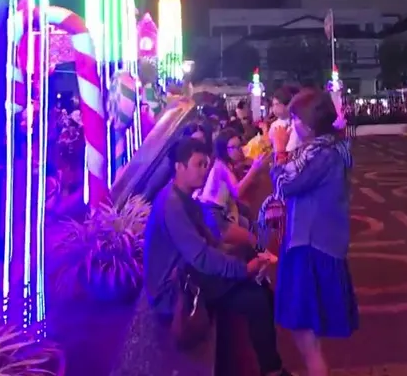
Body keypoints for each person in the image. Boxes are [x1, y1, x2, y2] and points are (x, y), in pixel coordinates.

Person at [144, 139, 289, 376]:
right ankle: (272, 369)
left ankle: (270, 360)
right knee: (256, 299)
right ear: (179, 167)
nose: (204, 170)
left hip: (190, 275)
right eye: (198, 164)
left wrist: (244, 264)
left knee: (256, 280)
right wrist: (243, 270)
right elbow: (201, 256)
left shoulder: (185, 198)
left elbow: (209, 245)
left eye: (206, 164)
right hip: (175, 292)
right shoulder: (172, 204)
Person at [272, 89, 360, 376]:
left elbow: (286, 184)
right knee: (305, 329)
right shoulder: (326, 148)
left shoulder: (322, 155)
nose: (292, 123)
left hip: (311, 245)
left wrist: (279, 149)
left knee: (303, 327)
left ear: (309, 124)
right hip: (312, 241)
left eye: (296, 118)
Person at [199, 128, 269, 239]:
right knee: (250, 237)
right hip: (214, 215)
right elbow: (237, 192)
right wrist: (254, 168)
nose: (238, 150)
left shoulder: (225, 164)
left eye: (239, 146)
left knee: (249, 217)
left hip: (222, 211)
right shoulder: (220, 165)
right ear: (224, 149)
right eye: (233, 147)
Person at [267, 85, 299, 159]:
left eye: (277, 104)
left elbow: (291, 149)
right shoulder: (274, 125)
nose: (274, 108)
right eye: (273, 105)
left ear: (288, 105)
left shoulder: (296, 124)